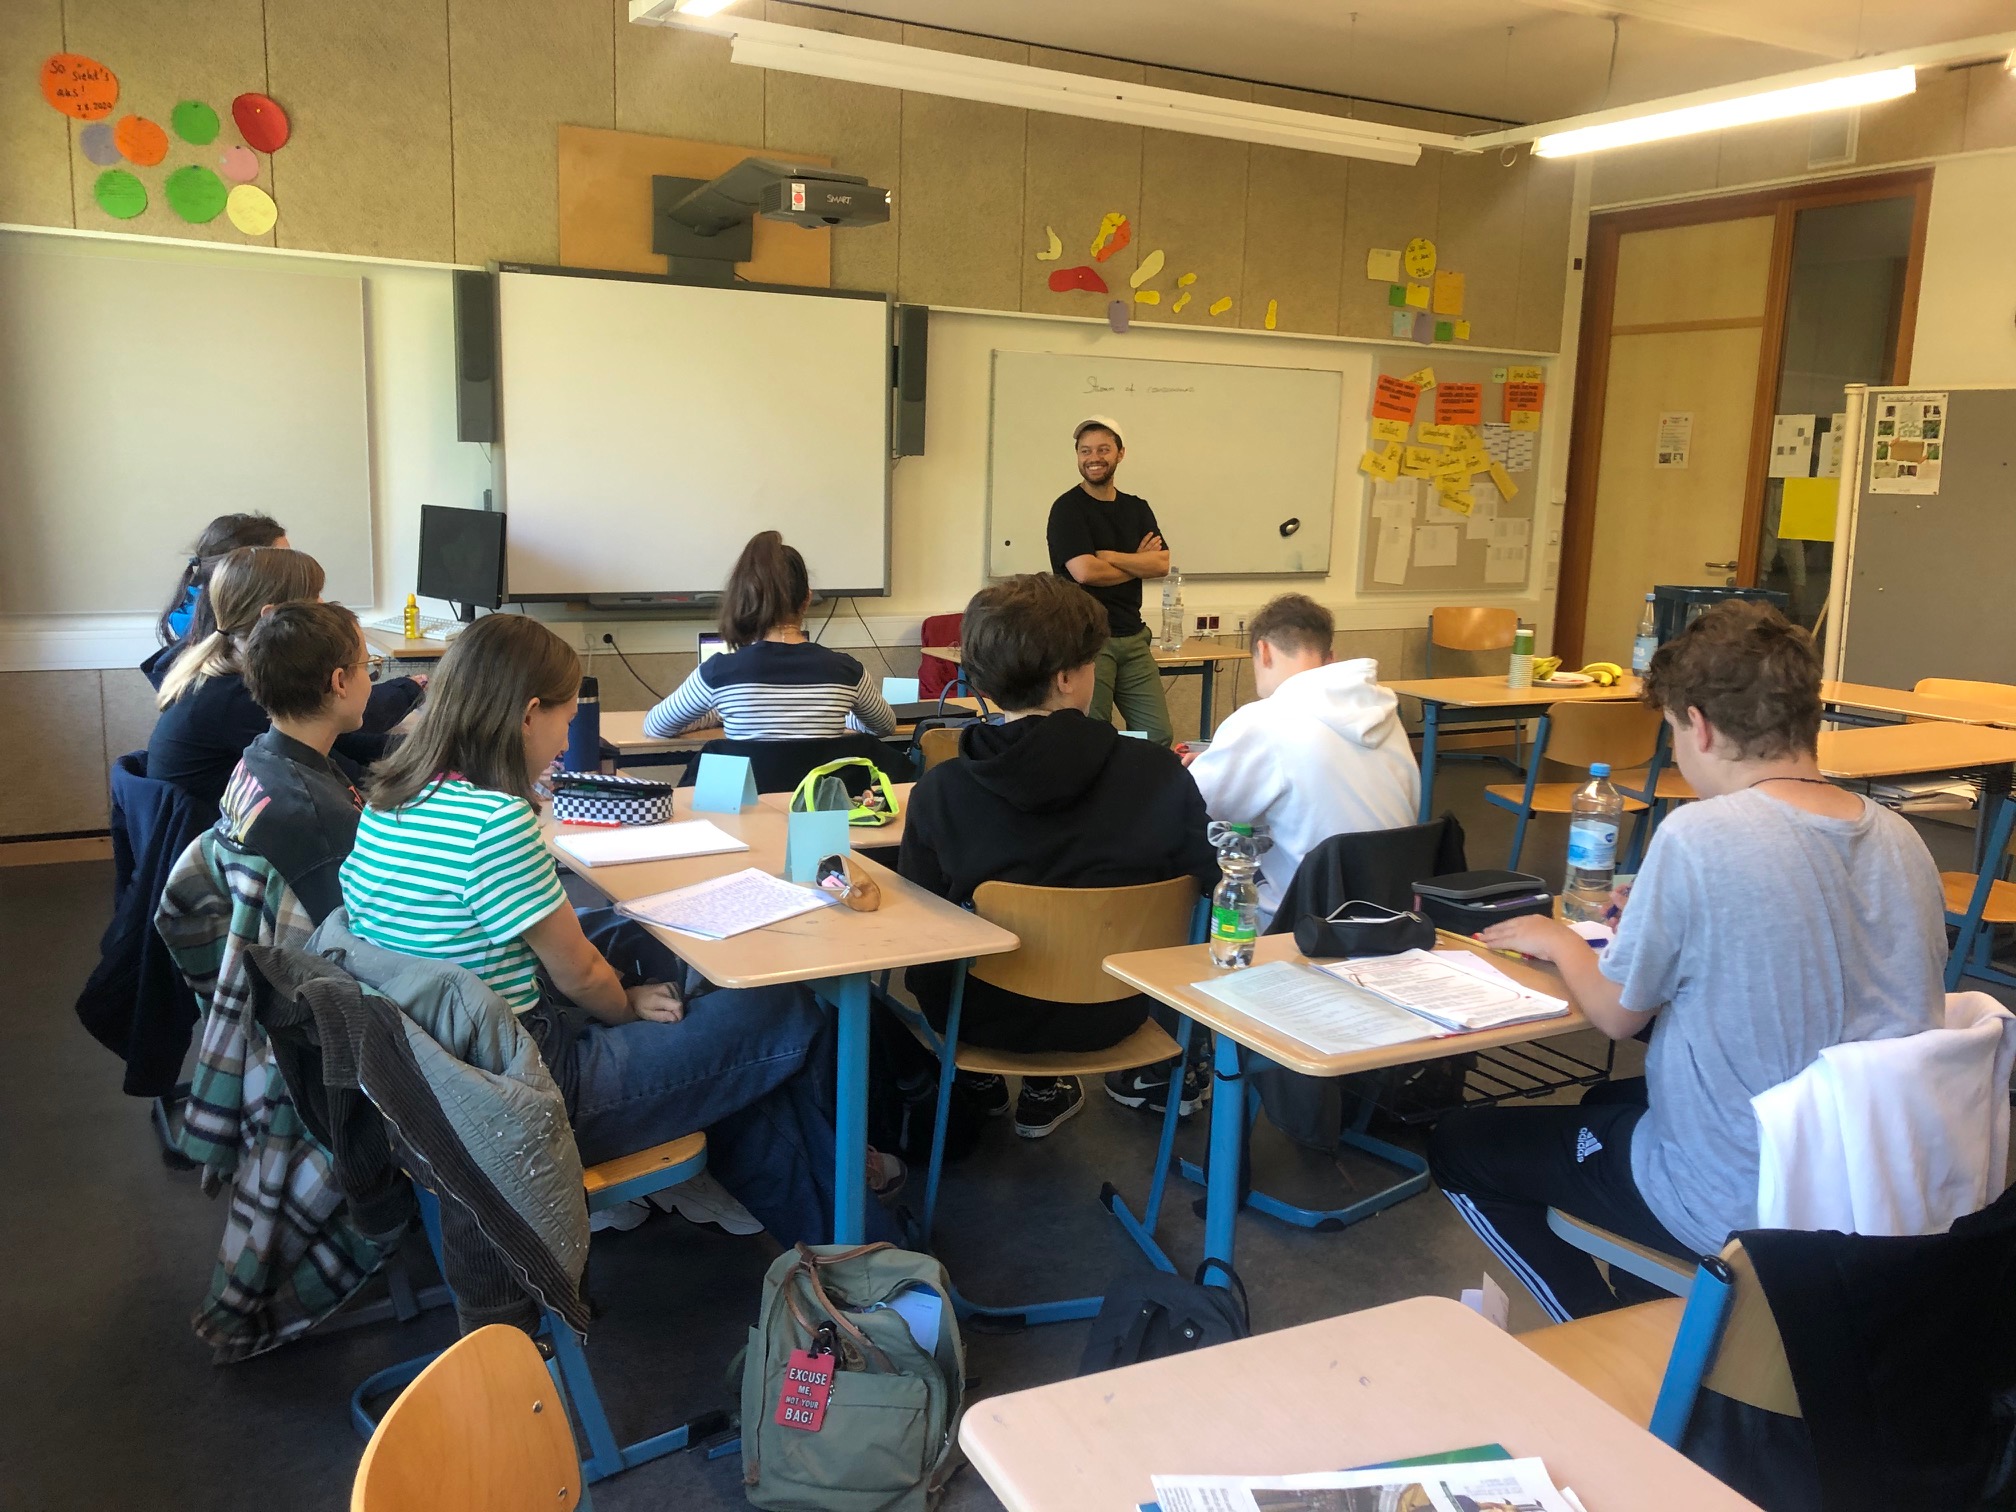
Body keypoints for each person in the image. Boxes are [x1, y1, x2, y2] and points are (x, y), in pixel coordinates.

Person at [1428, 601, 1946, 1320]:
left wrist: (1561, 941)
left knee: (1461, 1145)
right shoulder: (1900, 838)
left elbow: (1615, 1016)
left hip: (1737, 1200)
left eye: (1673, 732)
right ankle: (1663, 1311)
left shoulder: (1700, 835)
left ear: (1698, 725)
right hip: (1875, 1189)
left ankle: (1596, 1338)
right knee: (1605, 1104)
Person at [338, 612, 889, 1246]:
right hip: (533, 1096)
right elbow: (579, 974)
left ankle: (825, 1219)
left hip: (439, 1078)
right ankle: (854, 1215)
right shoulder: (494, 822)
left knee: (692, 1006)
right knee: (782, 1009)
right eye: (567, 720)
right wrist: (627, 1007)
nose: (566, 739)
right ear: (528, 715)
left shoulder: (390, 799)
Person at [898, 574, 1217, 1138]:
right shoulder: (1159, 774)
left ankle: (979, 1082)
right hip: (1121, 1008)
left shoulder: (941, 792)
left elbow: (918, 932)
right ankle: (1047, 1091)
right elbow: (1209, 884)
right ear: (1068, 678)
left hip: (981, 1018)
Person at [1180, 593, 1419, 929]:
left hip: (1302, 923)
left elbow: (1195, 806)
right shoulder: (1386, 714)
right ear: (1330, 658)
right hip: (1393, 914)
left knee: (1209, 852)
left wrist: (1206, 766)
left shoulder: (1265, 719)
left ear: (1263, 651)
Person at [146, 547, 422, 806]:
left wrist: (425, 746)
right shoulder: (238, 697)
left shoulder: (232, 668)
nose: (323, 605)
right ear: (274, 617)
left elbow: (339, 743)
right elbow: (341, 777)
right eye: (314, 597)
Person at [642, 531, 896, 741]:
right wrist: (843, 712)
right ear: (807, 599)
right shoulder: (848, 672)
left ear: (745, 600)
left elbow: (656, 726)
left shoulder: (718, 674)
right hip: (821, 791)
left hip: (751, 791)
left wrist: (721, 711)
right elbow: (885, 726)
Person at [221, 601, 376, 924]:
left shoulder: (260, 755)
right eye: (367, 665)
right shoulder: (320, 819)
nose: (371, 679)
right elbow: (351, 929)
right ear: (339, 682)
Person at [1045, 417, 1175, 746]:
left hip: (1133, 637)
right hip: (1088, 640)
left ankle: (1133, 780)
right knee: (1091, 734)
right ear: (1077, 456)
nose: (1094, 457)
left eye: (1103, 449)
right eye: (1085, 450)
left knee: (1157, 735)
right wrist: (1137, 562)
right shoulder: (1067, 509)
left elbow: (1161, 564)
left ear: (1120, 453)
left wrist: (1110, 556)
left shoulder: (1137, 508)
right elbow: (1085, 573)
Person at [147, 512, 290, 682]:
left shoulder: (205, 618)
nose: (296, 567)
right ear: (242, 573)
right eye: (285, 562)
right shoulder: (233, 642)